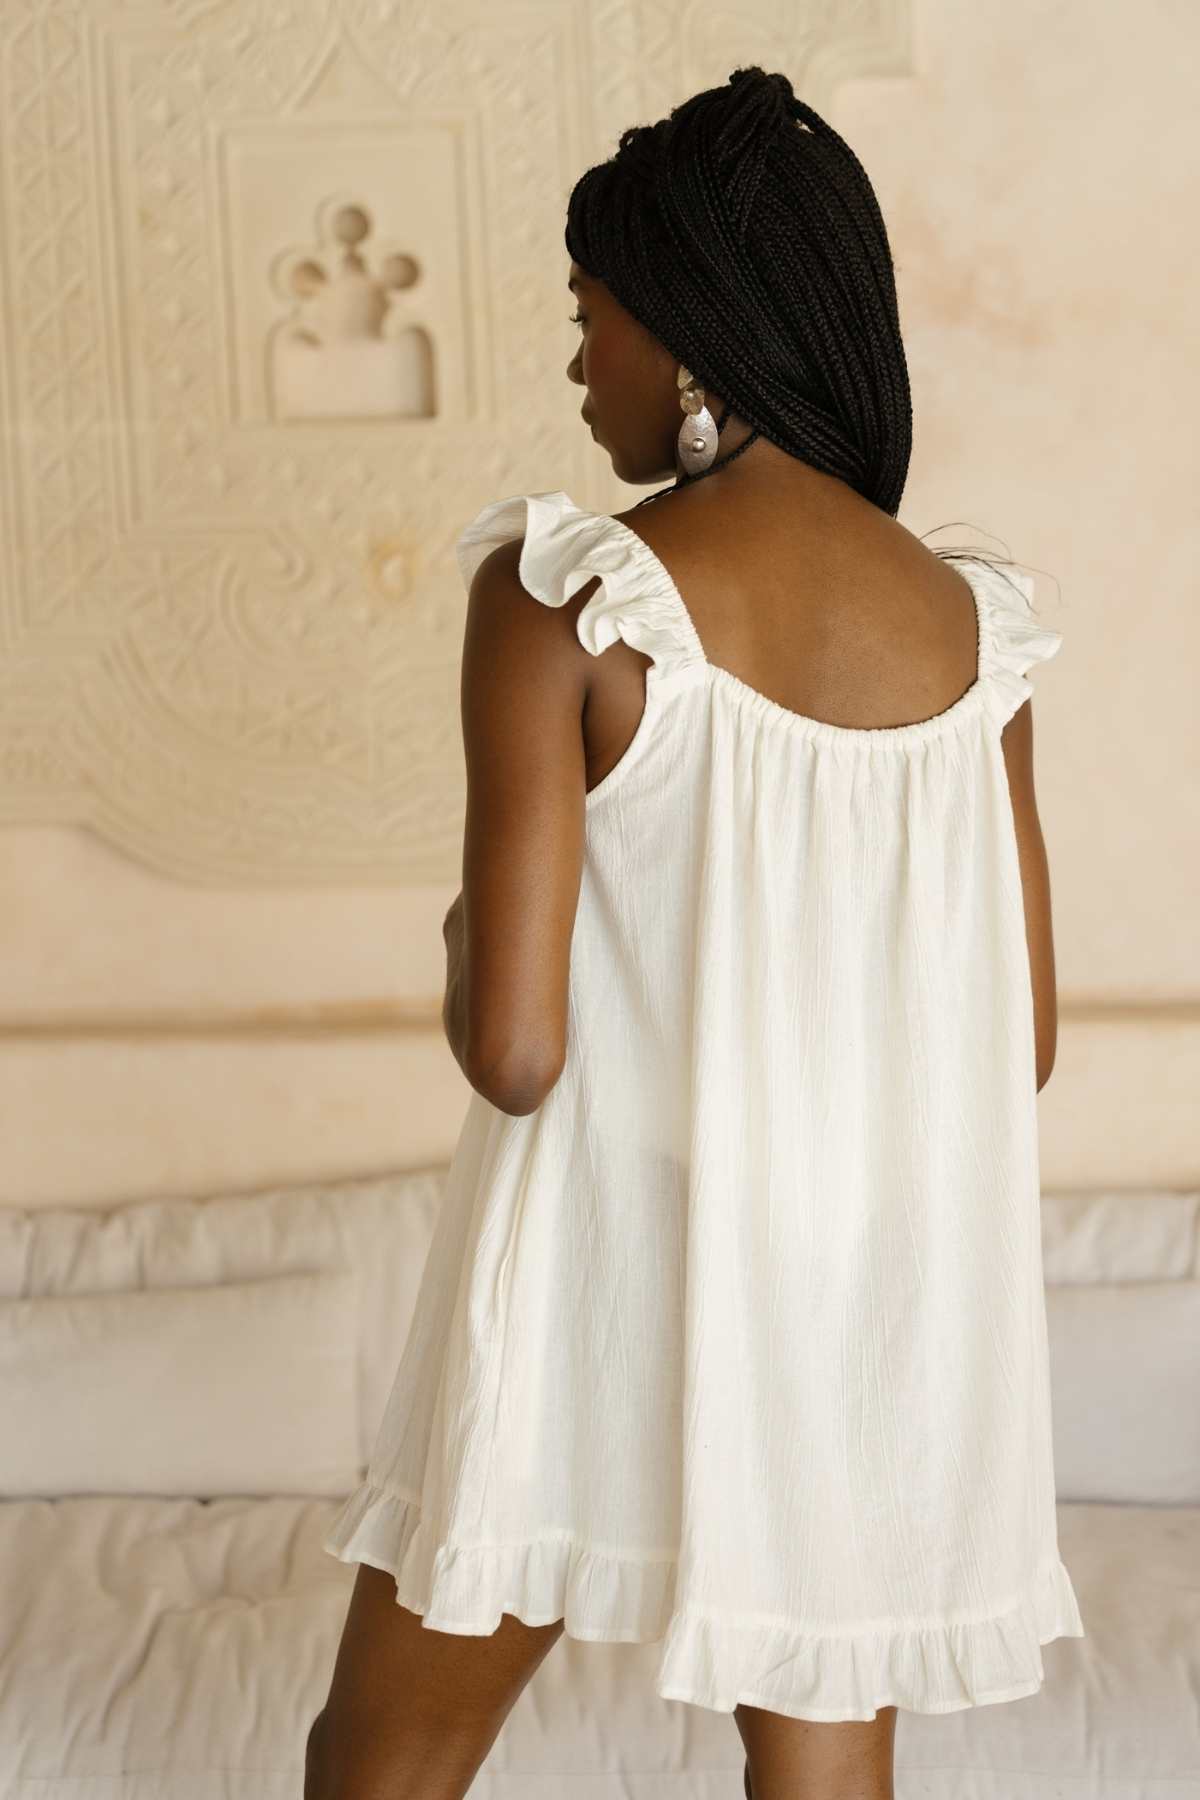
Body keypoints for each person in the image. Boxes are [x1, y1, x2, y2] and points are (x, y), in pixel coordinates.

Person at [306, 65, 1085, 1800]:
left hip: (595, 1284)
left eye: (592, 325)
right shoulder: (979, 640)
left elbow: (513, 1054)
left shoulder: (571, 597)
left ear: (689, 339)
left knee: (381, 1771)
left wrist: (468, 915)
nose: (584, 371)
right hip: (842, 1314)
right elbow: (1010, 1046)